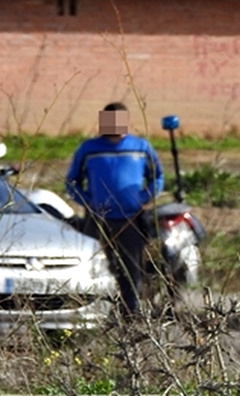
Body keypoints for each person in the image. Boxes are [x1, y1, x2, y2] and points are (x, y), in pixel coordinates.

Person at [66, 102, 164, 319]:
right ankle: (93, 312)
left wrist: (144, 198)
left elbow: (157, 177)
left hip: (131, 219)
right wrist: (88, 202)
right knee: (96, 267)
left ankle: (131, 313)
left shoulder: (141, 147)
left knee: (131, 268)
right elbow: (72, 182)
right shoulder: (89, 149)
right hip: (98, 220)